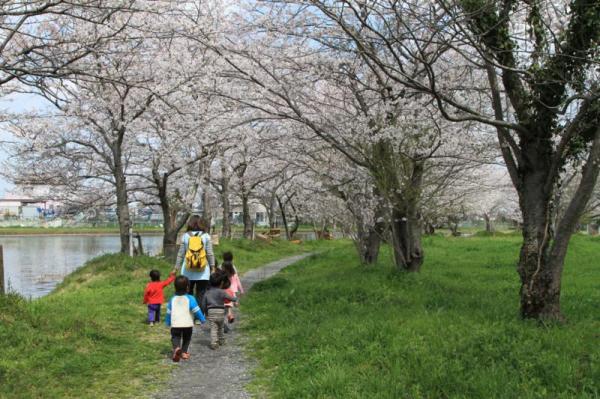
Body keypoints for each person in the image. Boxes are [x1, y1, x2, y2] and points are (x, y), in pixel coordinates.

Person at [175, 215, 215, 321]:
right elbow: (210, 253)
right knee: (201, 294)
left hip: (187, 270)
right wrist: (213, 267)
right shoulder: (206, 236)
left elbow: (181, 254)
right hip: (203, 270)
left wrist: (176, 268)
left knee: (188, 293)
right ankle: (198, 318)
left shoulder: (185, 236)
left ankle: (189, 315)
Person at [165, 276, 206, 362]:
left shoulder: (172, 299)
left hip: (175, 324)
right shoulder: (190, 298)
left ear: (175, 287)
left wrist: (167, 322)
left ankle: (176, 348)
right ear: (188, 287)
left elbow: (169, 312)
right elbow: (196, 310)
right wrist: (202, 319)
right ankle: (184, 352)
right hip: (187, 324)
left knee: (175, 337)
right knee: (187, 338)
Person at [201, 270, 237, 350]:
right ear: (221, 283)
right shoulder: (222, 292)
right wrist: (235, 299)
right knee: (221, 327)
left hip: (211, 312)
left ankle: (214, 343)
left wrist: (203, 313)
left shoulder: (207, 293)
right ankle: (221, 340)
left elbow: (203, 304)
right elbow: (230, 298)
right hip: (221, 312)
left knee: (214, 328)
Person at [221, 258, 244, 330]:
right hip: (232, 293)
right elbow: (238, 283)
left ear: (223, 268)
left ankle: (224, 323)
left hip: (224, 293)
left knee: (224, 308)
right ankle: (230, 314)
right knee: (229, 306)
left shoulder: (222, 276)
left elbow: (219, 284)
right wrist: (241, 290)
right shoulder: (234, 275)